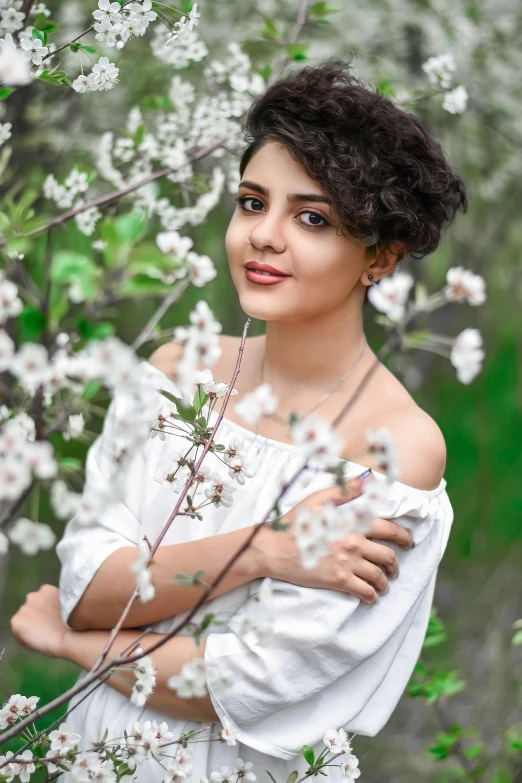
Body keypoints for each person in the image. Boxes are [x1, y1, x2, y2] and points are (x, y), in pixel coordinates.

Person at [10, 59, 465, 782]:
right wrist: (261, 550)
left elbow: (244, 685)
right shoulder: (175, 369)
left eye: (311, 218)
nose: (265, 235)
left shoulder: (393, 450)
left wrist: (73, 644)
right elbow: (87, 585)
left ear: (379, 257)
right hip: (92, 755)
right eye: (254, 203)